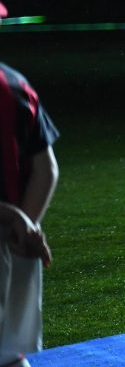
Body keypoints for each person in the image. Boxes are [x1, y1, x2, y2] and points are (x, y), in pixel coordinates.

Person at [0, 61, 59, 367]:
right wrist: (25, 223)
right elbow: (46, 169)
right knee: (11, 355)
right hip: (18, 239)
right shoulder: (16, 85)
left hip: (15, 230)